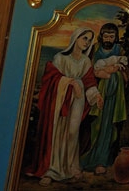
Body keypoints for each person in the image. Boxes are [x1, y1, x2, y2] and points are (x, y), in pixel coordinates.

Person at [24, 27, 101, 185]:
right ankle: (52, 170)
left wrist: (96, 96)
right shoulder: (60, 58)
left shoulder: (86, 61)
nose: (87, 42)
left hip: (78, 99)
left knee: (73, 132)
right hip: (60, 99)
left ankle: (71, 166)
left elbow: (89, 82)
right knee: (57, 131)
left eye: (89, 40)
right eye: (84, 38)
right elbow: (51, 77)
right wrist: (71, 82)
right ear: (75, 38)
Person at [81, 23, 129, 174]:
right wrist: (102, 73)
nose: (108, 39)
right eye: (106, 36)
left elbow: (126, 72)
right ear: (101, 36)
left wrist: (116, 72)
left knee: (108, 127)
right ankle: (89, 157)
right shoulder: (95, 49)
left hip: (114, 98)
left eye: (111, 36)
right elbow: (87, 69)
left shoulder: (119, 50)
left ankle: (103, 160)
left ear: (116, 37)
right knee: (94, 125)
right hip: (96, 93)